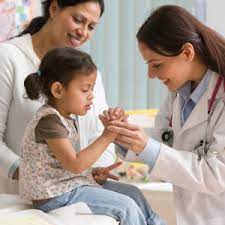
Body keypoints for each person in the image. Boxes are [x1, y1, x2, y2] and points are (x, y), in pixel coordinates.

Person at [103, 5, 225, 225]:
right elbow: (166, 138)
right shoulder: (178, 92)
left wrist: (144, 146)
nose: (151, 75)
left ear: (187, 52)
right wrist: (124, 136)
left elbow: (216, 174)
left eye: (156, 65)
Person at [20, 46, 165, 225]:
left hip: (67, 186)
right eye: (85, 90)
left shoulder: (64, 118)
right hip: (53, 195)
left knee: (133, 193)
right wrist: (108, 135)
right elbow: (74, 164)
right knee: (126, 207)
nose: (91, 97)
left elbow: (63, 165)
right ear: (58, 90)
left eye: (92, 90)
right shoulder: (49, 121)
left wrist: (90, 173)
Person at [0, 0, 116, 194]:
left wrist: (98, 169)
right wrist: (31, 174)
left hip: (78, 197)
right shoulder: (8, 57)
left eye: (91, 26)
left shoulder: (86, 72)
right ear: (53, 8)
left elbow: (99, 133)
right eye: (78, 20)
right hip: (22, 201)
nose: (83, 32)